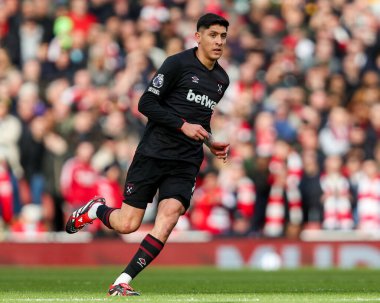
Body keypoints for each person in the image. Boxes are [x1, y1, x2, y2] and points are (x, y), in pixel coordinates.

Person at [65, 13, 230, 296]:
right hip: (154, 152)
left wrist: (211, 141)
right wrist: (182, 126)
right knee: (128, 224)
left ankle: (123, 280)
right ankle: (94, 209)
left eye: (223, 36)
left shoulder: (221, 80)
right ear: (198, 37)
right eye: (213, 35)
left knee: (169, 218)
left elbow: (200, 119)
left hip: (187, 160)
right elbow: (146, 102)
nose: (218, 41)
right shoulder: (177, 64)